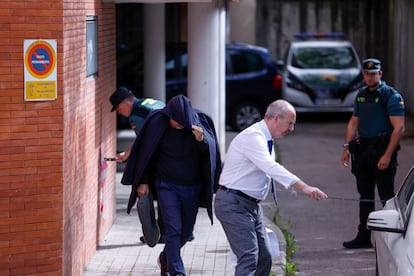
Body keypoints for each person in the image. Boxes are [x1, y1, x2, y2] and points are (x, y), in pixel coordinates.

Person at [214, 99, 328, 276]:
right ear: (276, 118)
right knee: (249, 256)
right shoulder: (254, 137)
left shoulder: (266, 138)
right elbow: (270, 167)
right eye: (290, 123)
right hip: (233, 204)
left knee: (265, 257)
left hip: (250, 205)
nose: (291, 129)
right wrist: (303, 187)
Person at [121, 94, 222, 276]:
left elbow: (210, 153)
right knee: (173, 229)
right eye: (173, 120)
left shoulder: (198, 123)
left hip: (191, 186)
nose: (176, 123)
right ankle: (177, 271)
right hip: (166, 185)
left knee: (186, 232)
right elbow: (146, 153)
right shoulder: (157, 122)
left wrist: (202, 141)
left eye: (180, 121)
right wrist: (143, 181)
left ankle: (166, 258)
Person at [341, 58, 405, 249]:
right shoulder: (361, 95)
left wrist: (387, 156)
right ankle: (363, 236)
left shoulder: (391, 96)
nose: (370, 77)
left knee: (387, 197)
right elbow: (354, 122)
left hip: (383, 151)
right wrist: (345, 147)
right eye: (367, 74)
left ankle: (391, 241)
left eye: (373, 73)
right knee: (365, 196)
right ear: (363, 75)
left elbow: (399, 128)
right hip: (363, 153)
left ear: (380, 74)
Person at [109, 86, 171, 244]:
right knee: (167, 192)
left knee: (160, 193)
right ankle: (174, 231)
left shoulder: (136, 115)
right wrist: (128, 153)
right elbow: (143, 137)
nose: (119, 113)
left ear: (125, 103)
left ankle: (163, 233)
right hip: (171, 152)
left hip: (160, 158)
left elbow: (145, 143)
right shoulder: (149, 103)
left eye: (118, 108)